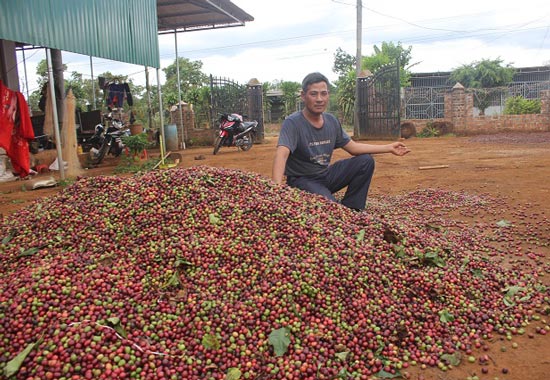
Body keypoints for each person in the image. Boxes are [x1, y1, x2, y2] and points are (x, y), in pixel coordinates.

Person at [272, 72, 410, 210]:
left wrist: (389, 148)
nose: (319, 99)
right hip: (302, 180)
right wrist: (276, 192)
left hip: (325, 176)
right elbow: (282, 154)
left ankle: (353, 209)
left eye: (323, 94)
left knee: (365, 161)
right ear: (303, 96)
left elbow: (353, 148)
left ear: (328, 95)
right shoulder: (293, 123)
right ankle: (339, 209)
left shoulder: (331, 121)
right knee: (333, 210)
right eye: (313, 94)